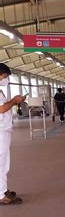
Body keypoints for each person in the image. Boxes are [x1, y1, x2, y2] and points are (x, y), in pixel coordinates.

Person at [0, 63, 25, 205]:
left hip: (4, 130)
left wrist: (15, 102)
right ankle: (1, 195)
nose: (6, 79)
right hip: (0, 131)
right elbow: (1, 109)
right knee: (1, 163)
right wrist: (14, 100)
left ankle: (2, 190)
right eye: (4, 76)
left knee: (4, 163)